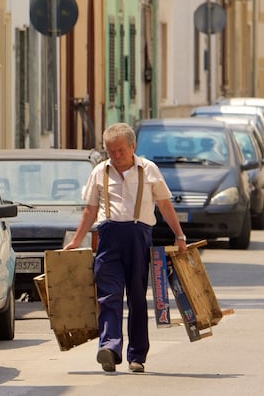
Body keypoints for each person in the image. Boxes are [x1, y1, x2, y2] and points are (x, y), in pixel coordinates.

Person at [63, 122, 188, 374]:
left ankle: (137, 355)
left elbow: (164, 205)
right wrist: (77, 240)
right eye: (111, 151)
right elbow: (89, 210)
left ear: (133, 147)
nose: (116, 156)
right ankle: (109, 347)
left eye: (120, 150)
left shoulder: (149, 170)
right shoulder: (100, 171)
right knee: (108, 295)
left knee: (137, 298)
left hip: (139, 236)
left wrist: (179, 235)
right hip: (108, 237)